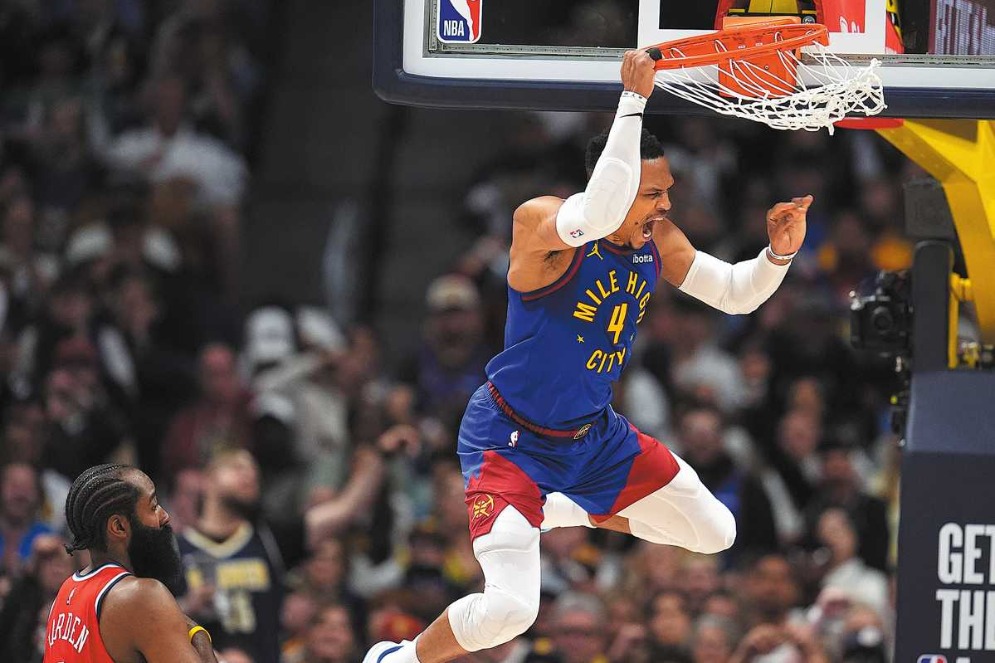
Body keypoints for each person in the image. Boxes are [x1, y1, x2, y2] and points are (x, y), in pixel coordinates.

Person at [365, 49, 810, 663]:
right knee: (512, 612)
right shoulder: (541, 225)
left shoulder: (657, 239)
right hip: (510, 442)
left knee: (717, 532)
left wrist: (778, 254)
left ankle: (567, 507)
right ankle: (400, 658)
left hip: (594, 437)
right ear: (616, 181)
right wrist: (633, 99)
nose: (666, 205)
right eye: (653, 193)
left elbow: (735, 294)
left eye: (668, 191)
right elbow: (597, 212)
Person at [43, 463, 217, 662]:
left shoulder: (65, 594)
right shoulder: (142, 596)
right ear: (118, 527)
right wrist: (198, 634)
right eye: (153, 507)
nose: (164, 515)